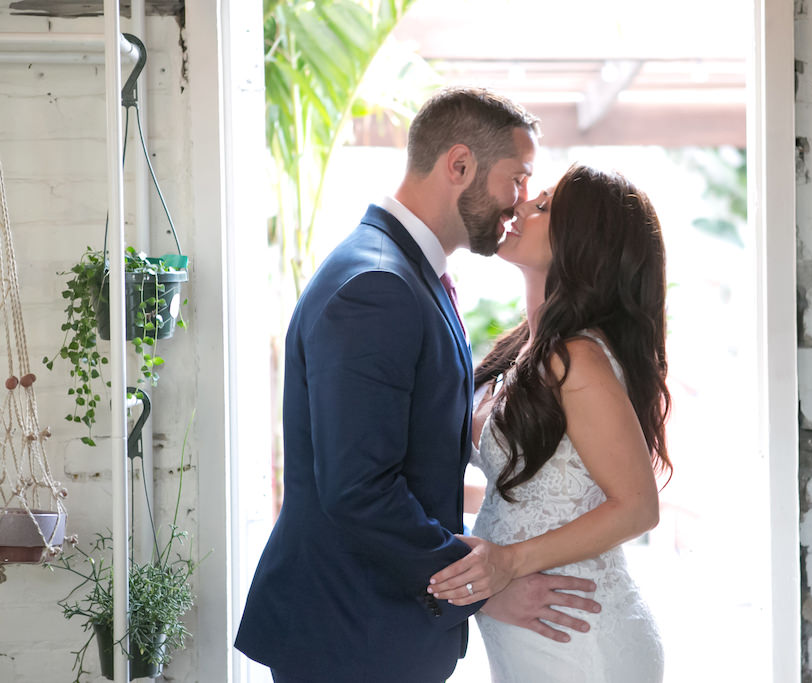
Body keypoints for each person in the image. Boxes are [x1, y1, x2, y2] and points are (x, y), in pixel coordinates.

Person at [234, 88, 601, 683]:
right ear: (459, 165)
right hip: (351, 636)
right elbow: (360, 490)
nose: (523, 199)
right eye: (518, 177)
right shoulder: (377, 285)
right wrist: (478, 586)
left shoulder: (405, 273)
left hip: (374, 629)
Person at [427, 163, 672, 682]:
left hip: (579, 636)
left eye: (542, 208)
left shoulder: (577, 358)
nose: (519, 208)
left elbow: (638, 506)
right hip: (536, 635)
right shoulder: (526, 349)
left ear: (581, 247)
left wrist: (508, 563)